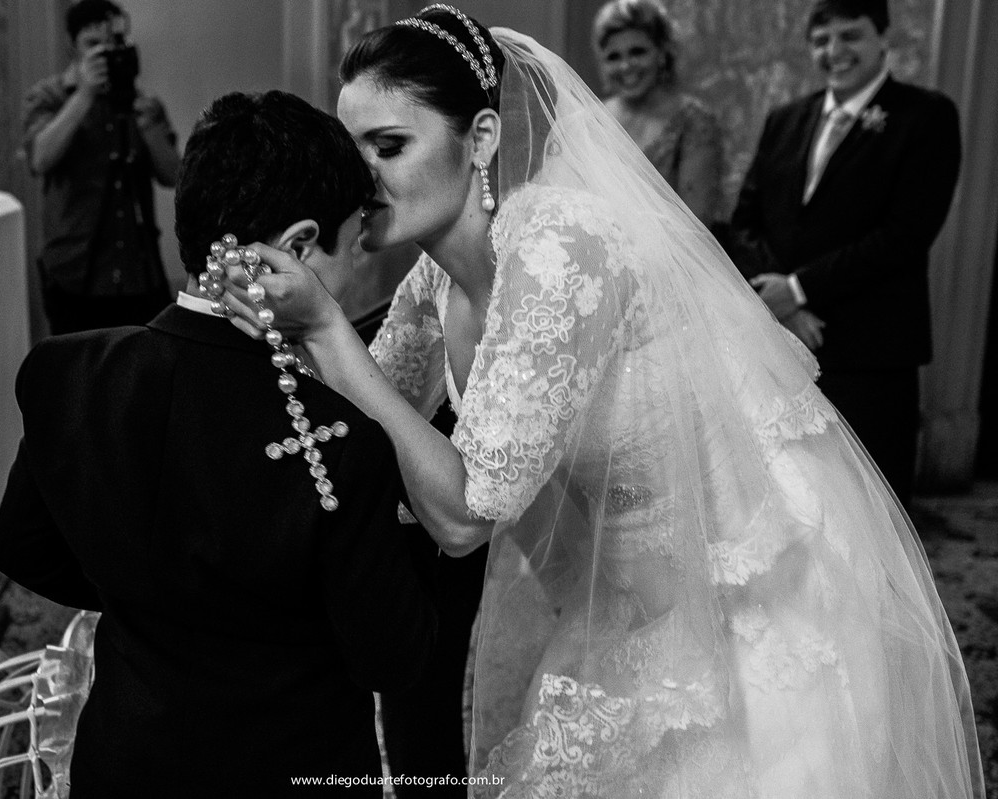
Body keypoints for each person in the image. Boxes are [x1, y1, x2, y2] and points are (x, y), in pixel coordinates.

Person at [214, 5, 982, 797]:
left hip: (751, 608)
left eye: (391, 145)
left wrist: (330, 330)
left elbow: (466, 514)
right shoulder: (437, 277)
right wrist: (256, 327)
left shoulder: (559, 241)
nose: (363, 179)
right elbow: (349, 430)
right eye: (355, 152)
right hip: (618, 613)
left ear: (481, 137)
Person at [0, 90, 437, 798]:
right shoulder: (343, 438)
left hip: (125, 763)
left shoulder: (65, 374)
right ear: (295, 248)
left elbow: (22, 547)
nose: (359, 271)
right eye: (353, 243)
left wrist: (157, 600)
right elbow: (390, 657)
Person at [727, 0, 961, 508]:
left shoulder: (926, 117)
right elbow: (746, 222)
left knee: (868, 509)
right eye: (821, 40)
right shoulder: (785, 120)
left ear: (883, 38)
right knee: (785, 507)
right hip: (778, 346)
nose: (834, 52)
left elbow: (905, 234)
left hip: (870, 355)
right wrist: (780, 302)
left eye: (850, 36)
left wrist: (799, 288)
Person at [22, 0, 181, 335]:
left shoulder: (143, 104)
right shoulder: (49, 97)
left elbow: (173, 176)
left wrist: (148, 126)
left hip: (139, 272)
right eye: (92, 45)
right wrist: (83, 95)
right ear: (72, 46)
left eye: (111, 45)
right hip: (75, 274)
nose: (105, 55)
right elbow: (40, 159)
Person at [592, 0, 724, 228]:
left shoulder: (694, 121)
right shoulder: (593, 118)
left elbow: (696, 226)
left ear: (662, 53)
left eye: (638, 52)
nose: (626, 66)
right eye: (614, 57)